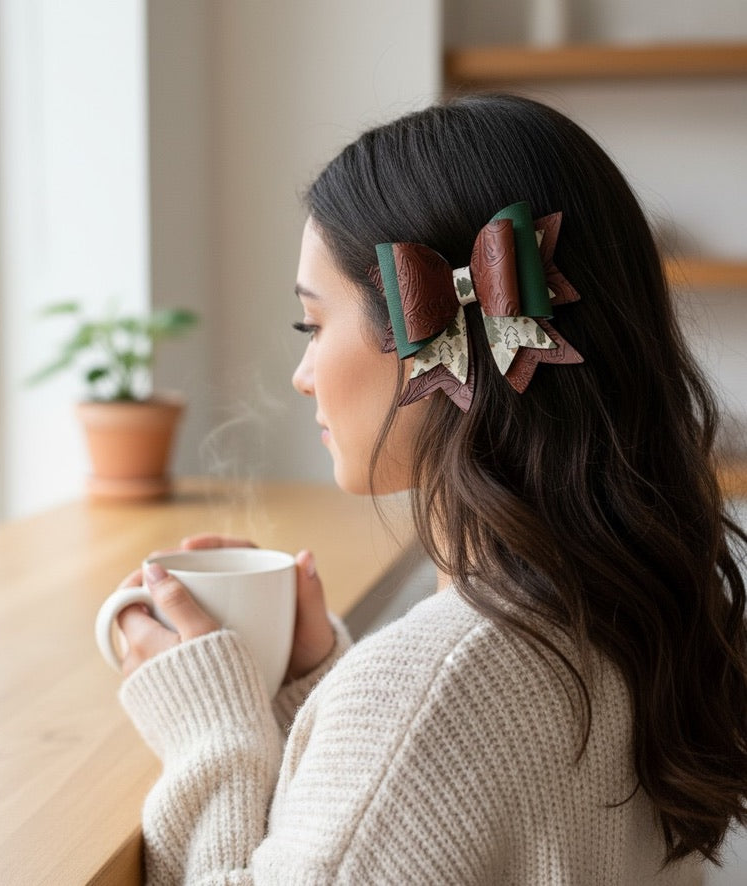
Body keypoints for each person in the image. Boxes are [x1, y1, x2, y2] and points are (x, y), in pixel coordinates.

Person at [113, 94, 747, 885]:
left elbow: (432, 725)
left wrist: (211, 739)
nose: (303, 375)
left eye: (313, 325)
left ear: (433, 340)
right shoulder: (629, 607)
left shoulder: (432, 690)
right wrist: (314, 691)